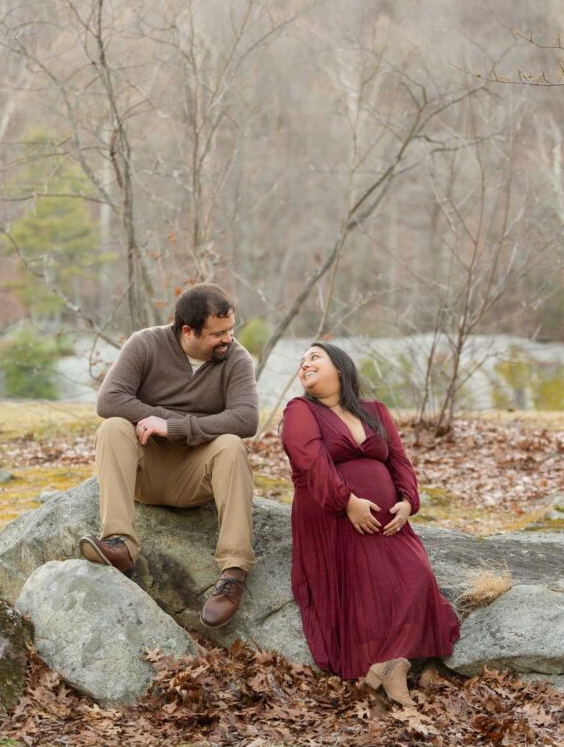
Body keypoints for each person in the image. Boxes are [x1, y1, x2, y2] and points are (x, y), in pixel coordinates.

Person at [280, 342, 459, 707]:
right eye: (301, 362)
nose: (305, 364)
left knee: (418, 574)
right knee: (367, 584)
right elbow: (309, 460)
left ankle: (387, 666)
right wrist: (347, 502)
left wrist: (408, 501)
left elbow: (399, 460)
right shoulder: (301, 410)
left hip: (388, 520)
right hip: (330, 514)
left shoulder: (375, 410)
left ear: (341, 368)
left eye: (314, 357)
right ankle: (391, 670)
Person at [79, 283, 259, 629]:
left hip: (197, 475)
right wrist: (159, 421)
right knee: (113, 427)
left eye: (231, 330)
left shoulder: (235, 358)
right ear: (187, 330)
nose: (228, 339)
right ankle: (119, 544)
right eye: (218, 333)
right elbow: (109, 400)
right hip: (146, 473)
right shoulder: (146, 344)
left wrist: (172, 424)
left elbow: (245, 419)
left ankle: (234, 570)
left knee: (232, 445)